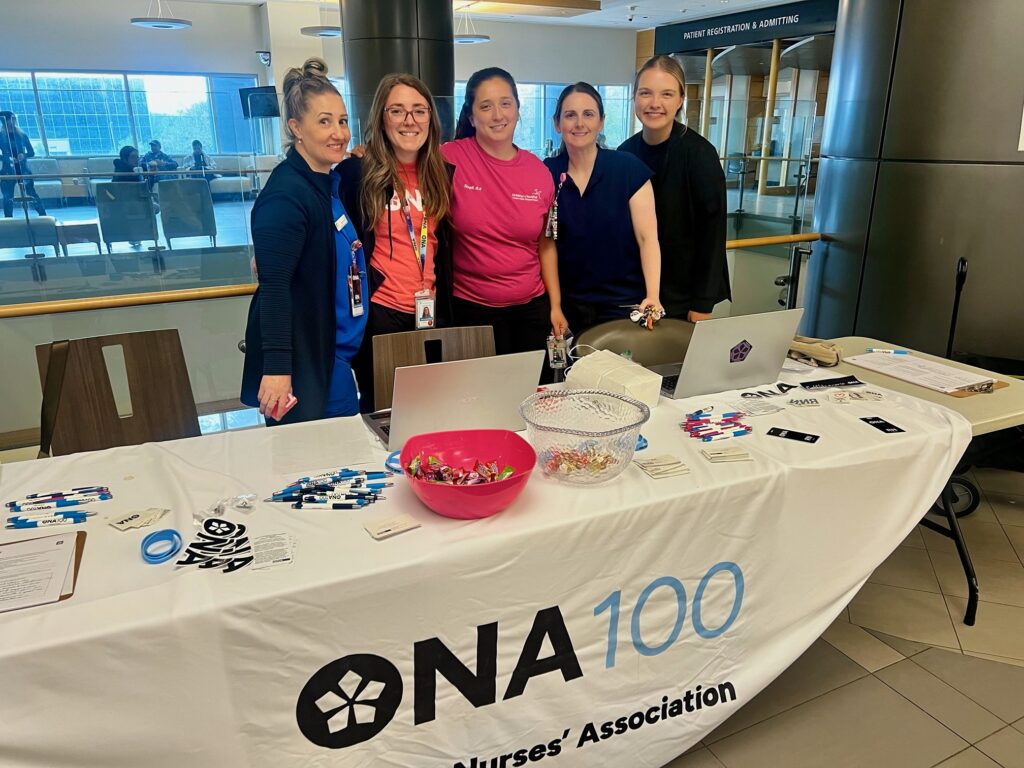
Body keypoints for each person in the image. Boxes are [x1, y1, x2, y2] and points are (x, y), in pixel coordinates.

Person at [240, 57, 366, 424]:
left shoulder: (326, 182)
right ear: (296, 128)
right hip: (303, 369)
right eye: (324, 122)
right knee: (312, 475)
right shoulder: (286, 195)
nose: (338, 133)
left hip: (334, 359)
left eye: (342, 121)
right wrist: (278, 370)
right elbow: (275, 290)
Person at [336, 73, 453, 412]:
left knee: (432, 409)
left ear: (431, 118)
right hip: (381, 311)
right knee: (384, 412)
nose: (409, 120)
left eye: (419, 110)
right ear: (381, 118)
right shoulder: (357, 174)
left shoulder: (440, 173)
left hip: (430, 310)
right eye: (397, 111)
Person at [442, 67, 566, 358]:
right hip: (470, 311)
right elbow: (407, 160)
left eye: (505, 103)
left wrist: (556, 305)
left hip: (531, 311)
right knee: (479, 399)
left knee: (531, 397)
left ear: (518, 109)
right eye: (486, 106)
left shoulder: (539, 172)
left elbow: (546, 244)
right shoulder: (449, 157)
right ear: (472, 117)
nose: (497, 115)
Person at [542, 82, 661, 335]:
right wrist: (555, 305)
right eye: (570, 115)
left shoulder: (627, 168)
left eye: (588, 114)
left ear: (601, 121)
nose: (579, 123)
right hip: (569, 306)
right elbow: (547, 243)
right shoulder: (547, 173)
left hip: (622, 305)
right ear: (557, 123)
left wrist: (653, 295)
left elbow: (647, 238)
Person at [618, 55, 729, 322]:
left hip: (684, 297)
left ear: (680, 100)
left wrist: (702, 304)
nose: (655, 103)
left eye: (666, 94)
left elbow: (712, 234)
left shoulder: (700, 154)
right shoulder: (625, 153)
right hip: (633, 292)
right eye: (645, 93)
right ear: (634, 98)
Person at [0, 113, 46, 218]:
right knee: (8, 197)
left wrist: (23, 155)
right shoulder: (0, 136)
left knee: (32, 193)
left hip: (23, 168)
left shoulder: (21, 134)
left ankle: (43, 216)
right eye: (11, 119)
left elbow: (31, 152)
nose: (14, 121)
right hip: (8, 170)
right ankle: (9, 221)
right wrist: (7, 158)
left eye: (14, 119)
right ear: (5, 121)